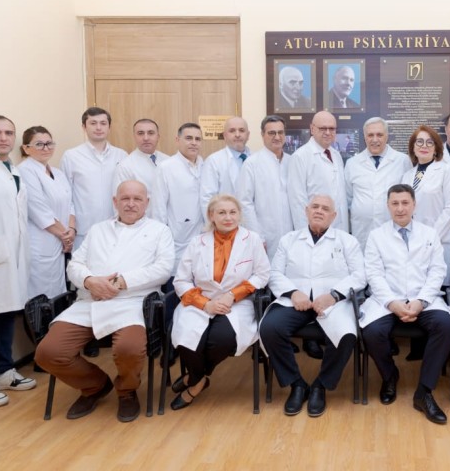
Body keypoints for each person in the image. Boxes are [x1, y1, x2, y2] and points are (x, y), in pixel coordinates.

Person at [34, 180, 174, 422]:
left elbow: (163, 269)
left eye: (137, 199)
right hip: (90, 300)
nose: (131, 204)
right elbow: (75, 265)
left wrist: (120, 283)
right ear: (115, 201)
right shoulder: (97, 230)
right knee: (48, 353)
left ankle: (127, 391)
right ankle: (95, 385)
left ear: (147, 203)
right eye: (125, 198)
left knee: (129, 349)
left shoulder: (160, 231)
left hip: (132, 303)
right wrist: (89, 281)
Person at [260, 195, 365, 417]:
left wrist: (334, 295)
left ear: (334, 216)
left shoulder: (347, 241)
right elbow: (274, 273)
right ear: (306, 211)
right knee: (270, 328)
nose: (319, 211)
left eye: (325, 208)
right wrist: (293, 293)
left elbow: (360, 275)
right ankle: (297, 384)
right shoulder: (289, 240)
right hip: (295, 302)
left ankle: (321, 385)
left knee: (346, 335)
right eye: (315, 207)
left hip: (332, 304)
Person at [360, 184, 450, 424]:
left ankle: (424, 391)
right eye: (395, 203)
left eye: (405, 203)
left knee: (445, 324)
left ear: (414, 205)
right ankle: (389, 376)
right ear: (388, 206)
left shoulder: (429, 234)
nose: (400, 208)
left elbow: (437, 271)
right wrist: (392, 303)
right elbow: (374, 274)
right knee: (372, 332)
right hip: (387, 300)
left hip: (423, 299)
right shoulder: (376, 236)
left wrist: (421, 301)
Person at [169, 195, 270, 410]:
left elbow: (262, 274)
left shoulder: (251, 240)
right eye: (222, 212)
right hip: (200, 300)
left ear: (239, 215)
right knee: (187, 340)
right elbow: (181, 280)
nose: (228, 217)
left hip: (238, 303)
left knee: (222, 340)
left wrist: (232, 294)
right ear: (211, 216)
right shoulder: (197, 242)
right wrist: (205, 303)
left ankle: (193, 380)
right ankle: (199, 380)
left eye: (233, 212)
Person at [0, 115, 35, 408]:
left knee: (7, 311)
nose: (3, 138)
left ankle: (2, 370)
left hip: (10, 255)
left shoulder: (11, 168)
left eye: (8, 133)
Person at [17, 126, 75, 298]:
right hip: (40, 240)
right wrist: (65, 236)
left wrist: (71, 231)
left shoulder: (58, 173)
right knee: (40, 293)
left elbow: (70, 203)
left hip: (60, 239)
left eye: (49, 143)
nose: (46, 148)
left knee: (58, 289)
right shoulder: (24, 170)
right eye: (39, 144)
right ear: (26, 148)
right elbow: (38, 209)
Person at [61, 107, 128, 249]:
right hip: (83, 230)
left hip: (117, 227)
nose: (98, 127)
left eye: (103, 123)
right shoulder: (71, 156)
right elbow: (66, 196)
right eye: (93, 123)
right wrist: (71, 226)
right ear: (84, 127)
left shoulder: (121, 155)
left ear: (109, 127)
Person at [345, 117, 411, 249]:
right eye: (370, 135)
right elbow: (349, 198)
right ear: (365, 137)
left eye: (379, 135)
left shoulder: (402, 161)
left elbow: (408, 197)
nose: (375, 139)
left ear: (387, 136)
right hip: (362, 231)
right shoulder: (352, 164)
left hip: (393, 229)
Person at [401, 125, 450, 275]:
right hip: (412, 241)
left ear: (436, 148)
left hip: (438, 239)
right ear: (413, 147)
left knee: (436, 281)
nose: (424, 146)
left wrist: (431, 237)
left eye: (429, 142)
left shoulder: (446, 170)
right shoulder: (407, 175)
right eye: (419, 142)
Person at [236, 115, 293, 259]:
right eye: (271, 133)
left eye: (280, 132)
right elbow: (244, 202)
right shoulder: (252, 163)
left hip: (292, 235)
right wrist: (258, 237)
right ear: (262, 135)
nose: (277, 137)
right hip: (265, 236)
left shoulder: (292, 162)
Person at [151, 123, 205, 274]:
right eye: (188, 138)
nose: (193, 142)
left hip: (203, 237)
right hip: (176, 239)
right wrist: (161, 242)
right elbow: (158, 208)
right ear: (177, 140)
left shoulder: (205, 165)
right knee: (178, 278)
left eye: (197, 139)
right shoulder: (166, 167)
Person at [287, 111, 349, 232]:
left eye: (332, 129)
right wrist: (305, 234)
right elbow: (297, 201)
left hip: (340, 228)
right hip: (315, 230)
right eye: (323, 128)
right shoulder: (300, 156)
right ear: (312, 129)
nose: (328, 132)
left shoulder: (336, 155)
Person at [200, 117, 251, 218]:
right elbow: (207, 199)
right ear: (224, 135)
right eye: (232, 131)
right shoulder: (214, 161)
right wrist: (213, 224)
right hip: (225, 221)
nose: (237, 134)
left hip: (253, 221)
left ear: (248, 135)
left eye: (241, 130)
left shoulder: (256, 160)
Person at [112, 119, 169, 193]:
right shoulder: (124, 167)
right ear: (134, 136)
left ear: (158, 136)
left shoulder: (168, 161)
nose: (146, 138)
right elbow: (120, 197)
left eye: (151, 133)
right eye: (140, 133)